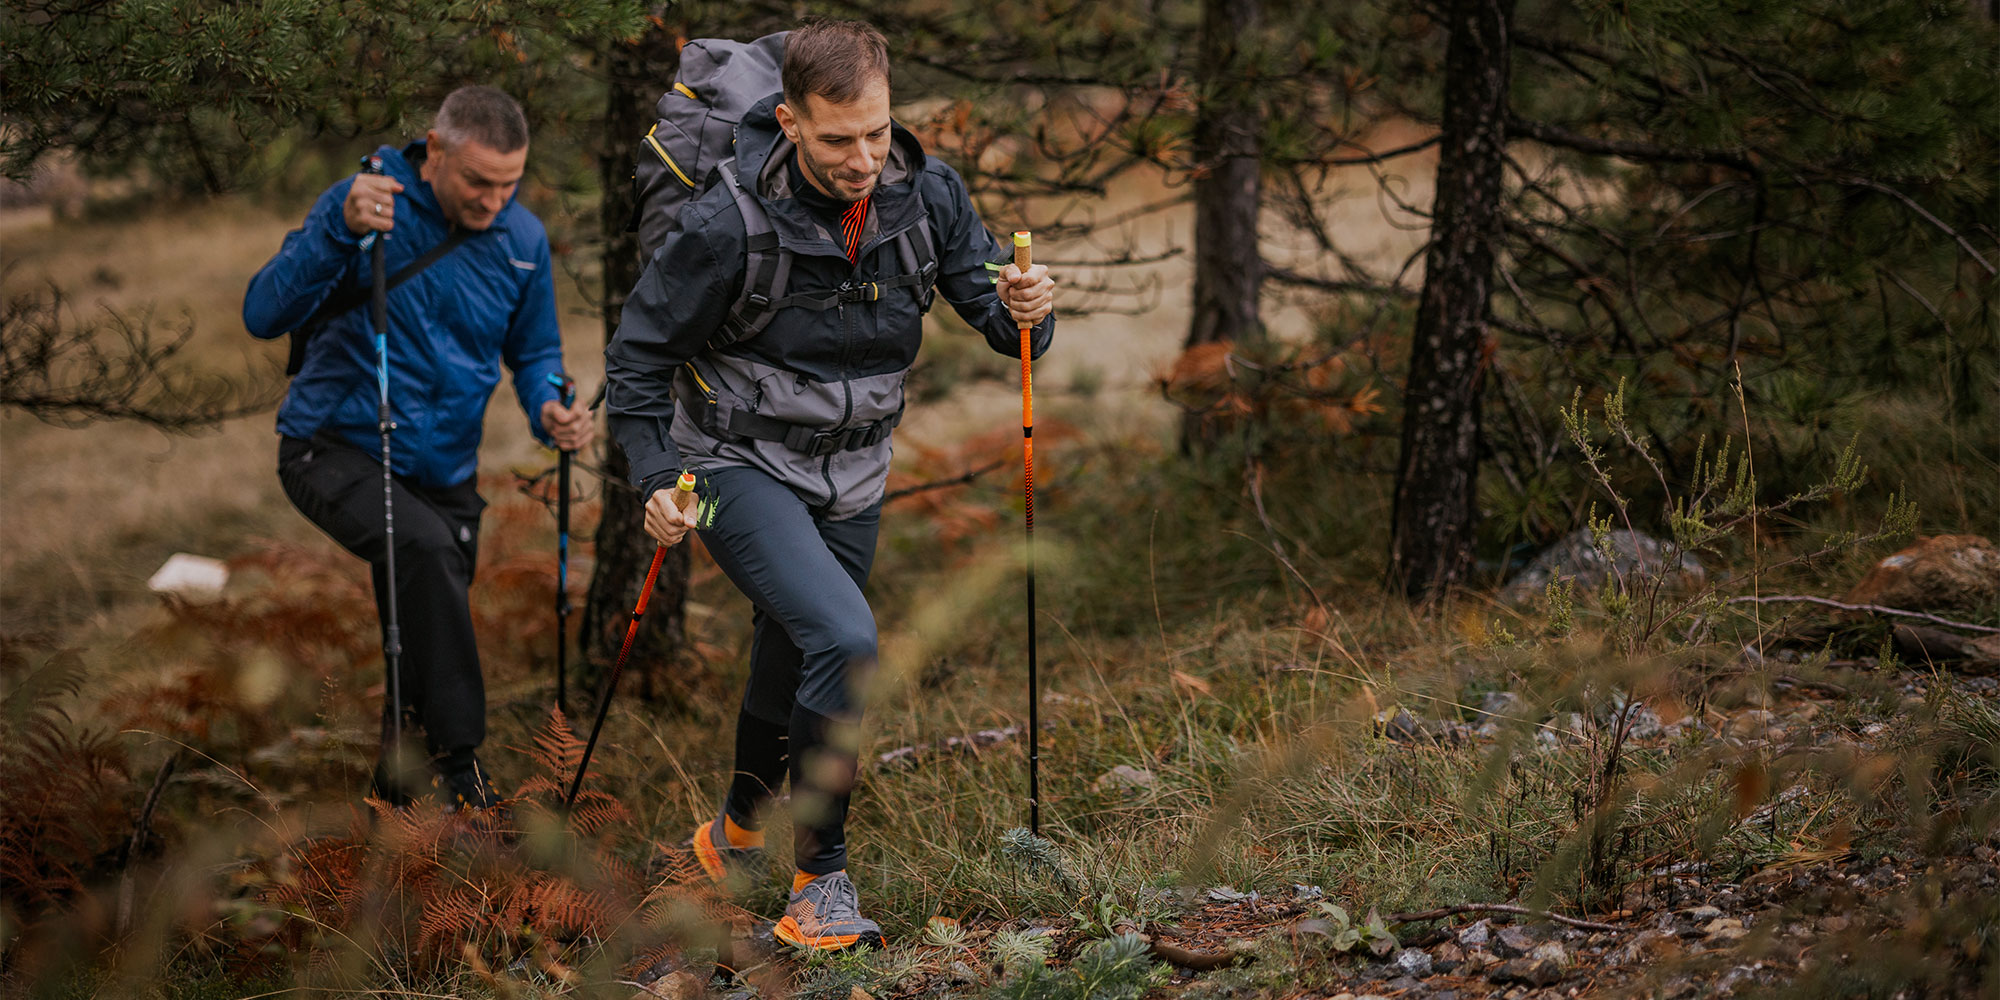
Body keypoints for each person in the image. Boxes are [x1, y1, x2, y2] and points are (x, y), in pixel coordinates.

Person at [605, 19, 1055, 952]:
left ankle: (732, 836)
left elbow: (998, 316)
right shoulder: (725, 223)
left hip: (854, 468)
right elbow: (637, 360)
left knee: (794, 645)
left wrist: (1027, 309)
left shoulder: (927, 193)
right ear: (790, 121)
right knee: (845, 640)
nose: (864, 159)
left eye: (878, 132)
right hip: (729, 461)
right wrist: (653, 477)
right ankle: (820, 884)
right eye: (839, 138)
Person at [244, 86, 594, 810]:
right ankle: (463, 774)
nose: (494, 201)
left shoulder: (523, 240)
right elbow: (263, 312)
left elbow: (535, 353)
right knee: (428, 554)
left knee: (424, 629)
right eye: (478, 181)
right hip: (331, 445)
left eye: (509, 184)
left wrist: (550, 406)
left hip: (445, 471)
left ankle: (397, 810)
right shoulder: (366, 205)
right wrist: (338, 229)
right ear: (434, 151)